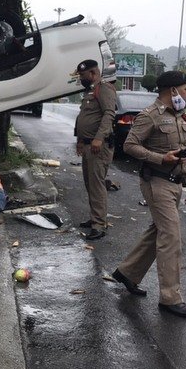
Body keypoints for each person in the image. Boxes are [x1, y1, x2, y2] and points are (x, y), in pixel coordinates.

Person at [111, 70, 186, 319]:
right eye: (184, 89)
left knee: (159, 230)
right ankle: (171, 298)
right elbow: (130, 145)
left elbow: (182, 155)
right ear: (172, 91)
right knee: (171, 237)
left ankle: (127, 273)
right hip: (156, 183)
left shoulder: (180, 118)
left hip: (175, 184)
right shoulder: (150, 115)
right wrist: (160, 158)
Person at [73, 59, 117, 240]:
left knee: (97, 185)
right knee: (90, 183)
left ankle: (99, 225)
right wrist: (80, 140)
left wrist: (99, 137)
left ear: (92, 73)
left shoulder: (104, 88)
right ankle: (95, 219)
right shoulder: (90, 90)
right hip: (89, 145)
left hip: (99, 146)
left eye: (83, 75)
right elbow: (84, 116)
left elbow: (109, 113)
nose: (81, 78)